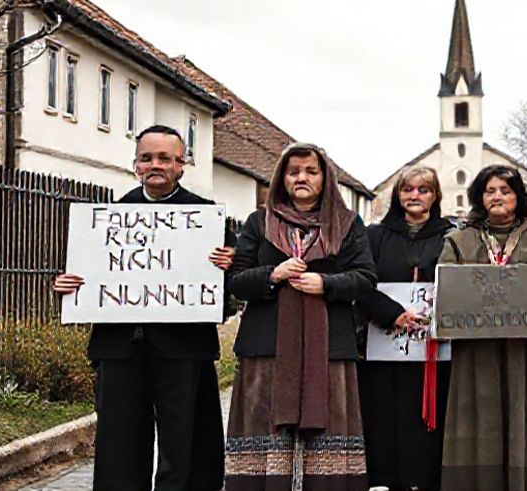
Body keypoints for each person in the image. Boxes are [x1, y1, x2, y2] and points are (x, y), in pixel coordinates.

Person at [53, 124, 235, 491]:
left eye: (165, 158)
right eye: (147, 158)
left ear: (181, 165)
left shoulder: (206, 218)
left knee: (184, 442)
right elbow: (86, 276)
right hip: (120, 348)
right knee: (119, 442)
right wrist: (65, 286)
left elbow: (228, 294)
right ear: (135, 164)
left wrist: (227, 270)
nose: (155, 165)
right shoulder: (109, 217)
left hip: (183, 349)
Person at [224, 143, 376, 491]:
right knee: (265, 428)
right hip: (268, 347)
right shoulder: (259, 223)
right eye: (293, 172)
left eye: (310, 171)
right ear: (282, 178)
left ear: (325, 178)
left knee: (328, 430)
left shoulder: (347, 225)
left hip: (329, 348)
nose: (301, 178)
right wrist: (273, 275)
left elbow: (366, 278)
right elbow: (237, 281)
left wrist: (326, 283)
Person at [438, 164, 527, 491]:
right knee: (478, 414)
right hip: (476, 348)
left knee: (524, 412)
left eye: (505, 190)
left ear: (519, 197)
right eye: (490, 191)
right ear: (479, 197)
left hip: (525, 348)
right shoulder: (458, 240)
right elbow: (446, 289)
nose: (498, 197)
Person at [357, 166, 454, 491]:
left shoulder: (451, 237)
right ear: (398, 195)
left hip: (434, 351)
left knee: (428, 422)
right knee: (384, 420)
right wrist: (392, 314)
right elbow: (360, 282)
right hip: (383, 349)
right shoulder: (374, 236)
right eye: (407, 189)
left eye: (423, 190)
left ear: (435, 196)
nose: (415, 196)